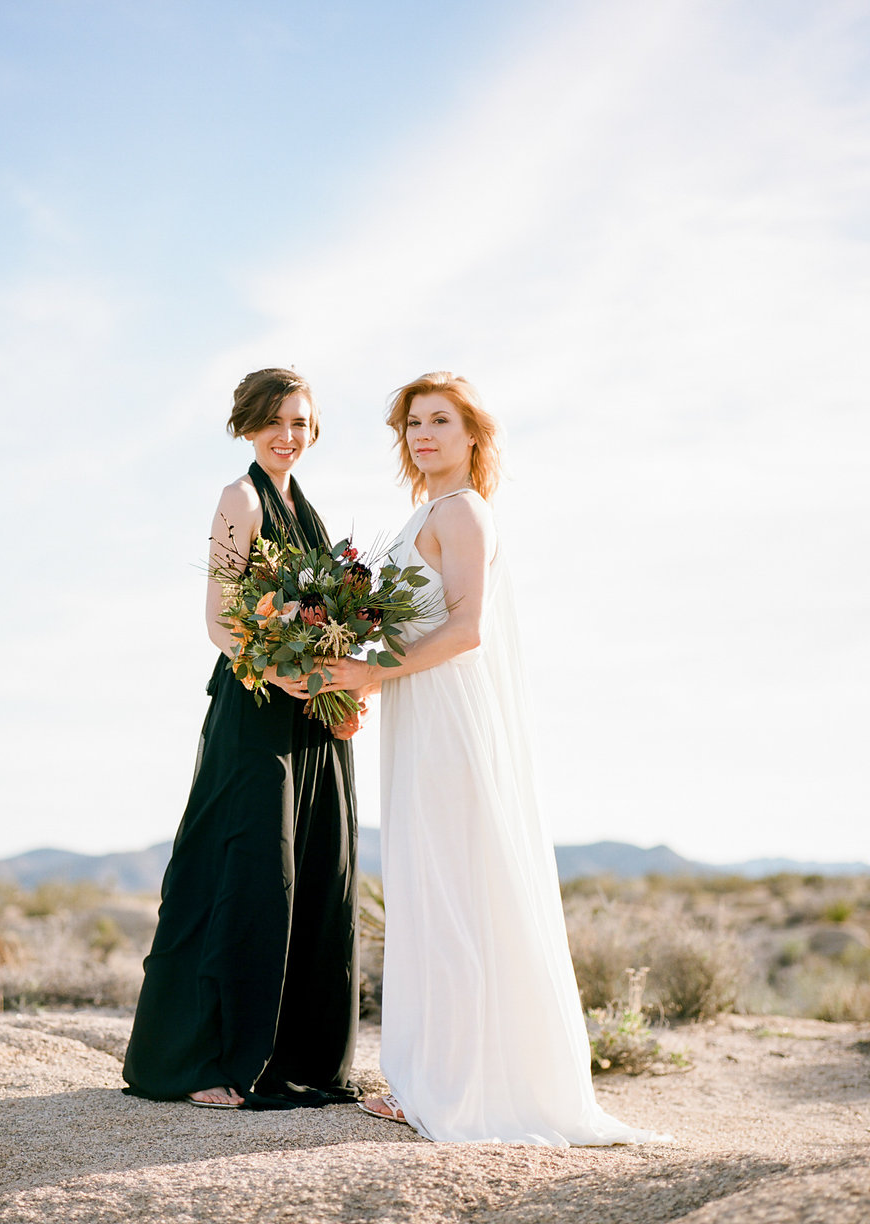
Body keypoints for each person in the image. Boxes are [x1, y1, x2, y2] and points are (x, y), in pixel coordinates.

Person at [324, 371, 667, 1144]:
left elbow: (468, 628)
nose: (423, 434)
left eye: (441, 420)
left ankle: (455, 1086)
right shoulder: (428, 510)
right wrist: (364, 678)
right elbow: (417, 625)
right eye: (412, 422)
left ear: (473, 435)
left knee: (452, 884)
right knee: (429, 882)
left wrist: (373, 671)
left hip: (448, 714)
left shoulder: (465, 511)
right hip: (421, 705)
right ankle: (433, 1077)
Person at [122, 367, 361, 1110]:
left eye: (301, 423)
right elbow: (222, 619)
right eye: (275, 421)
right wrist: (281, 672)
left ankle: (293, 1058)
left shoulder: (310, 512)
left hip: (313, 711)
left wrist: (338, 684)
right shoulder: (240, 498)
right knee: (250, 872)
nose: (288, 436)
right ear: (247, 424)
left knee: (317, 872)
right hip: (259, 704)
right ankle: (203, 1062)